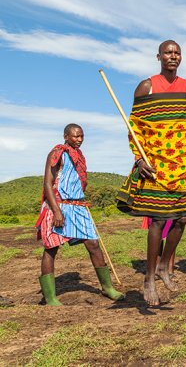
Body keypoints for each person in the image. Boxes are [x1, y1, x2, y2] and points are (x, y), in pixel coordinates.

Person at [116, 40, 186, 306]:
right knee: (157, 221)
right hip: (156, 162)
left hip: (183, 162)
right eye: (168, 52)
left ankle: (166, 266)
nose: (173, 56)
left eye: (177, 53)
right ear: (158, 56)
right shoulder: (146, 86)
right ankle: (149, 278)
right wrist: (139, 158)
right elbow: (136, 127)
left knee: (181, 219)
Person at [35, 124, 124, 306]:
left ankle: (108, 288)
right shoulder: (57, 153)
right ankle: (50, 297)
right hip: (58, 205)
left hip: (78, 205)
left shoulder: (79, 157)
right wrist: (57, 211)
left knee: (93, 243)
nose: (79, 140)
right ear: (66, 136)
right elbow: (47, 183)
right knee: (51, 248)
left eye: (82, 136)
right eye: (75, 136)